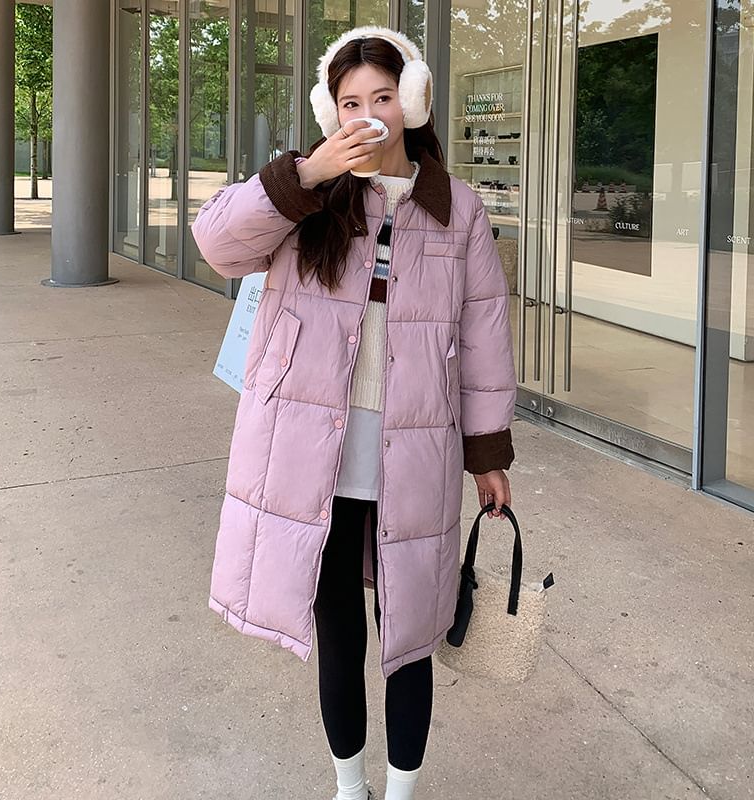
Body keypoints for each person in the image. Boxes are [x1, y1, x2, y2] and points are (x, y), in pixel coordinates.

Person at [191, 26, 516, 800]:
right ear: (329, 112)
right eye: (348, 103)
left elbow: (484, 335)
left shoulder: (458, 210)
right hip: (314, 458)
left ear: (414, 101)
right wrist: (308, 172)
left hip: (414, 456)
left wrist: (488, 454)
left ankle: (398, 793)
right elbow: (217, 244)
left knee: (408, 638)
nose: (366, 114)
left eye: (382, 97)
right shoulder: (304, 197)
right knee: (337, 629)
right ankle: (349, 787)